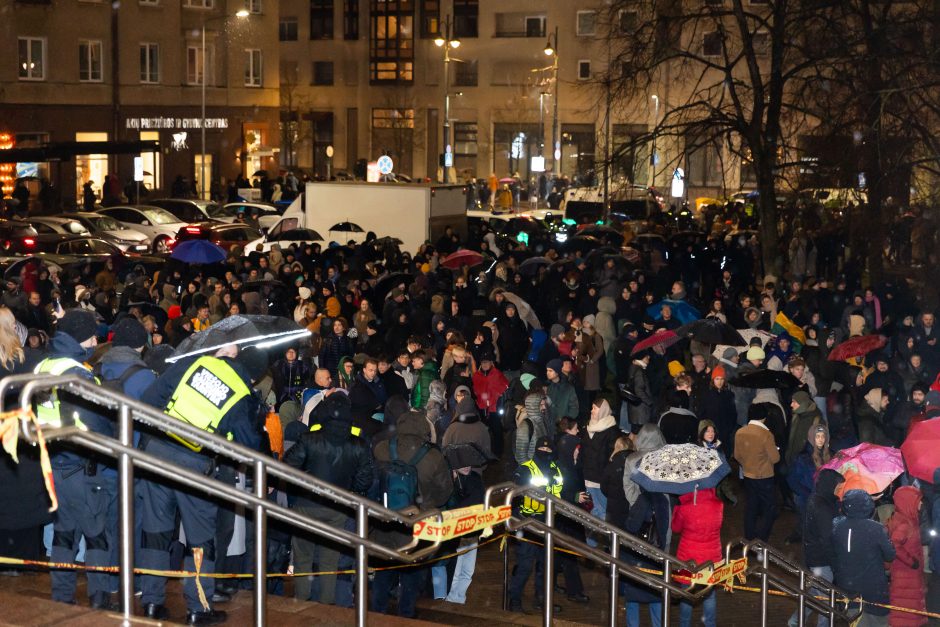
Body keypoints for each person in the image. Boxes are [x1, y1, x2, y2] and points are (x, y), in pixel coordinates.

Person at [138, 342, 264, 624]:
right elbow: (248, 446)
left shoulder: (193, 363)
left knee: (156, 532)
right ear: (254, 376)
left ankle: (151, 603)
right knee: (201, 541)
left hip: (157, 453)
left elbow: (148, 401)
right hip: (196, 465)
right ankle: (198, 608)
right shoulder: (243, 394)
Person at [35, 310, 117, 609]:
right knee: (96, 536)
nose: (96, 341)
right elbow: (94, 421)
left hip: (53, 463)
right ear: (79, 337)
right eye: (93, 336)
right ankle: (98, 598)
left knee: (63, 534)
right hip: (81, 466)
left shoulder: (46, 364)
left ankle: (61, 596)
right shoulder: (77, 372)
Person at [283, 393, 373, 606]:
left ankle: (302, 600)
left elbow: (287, 466)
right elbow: (365, 479)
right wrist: (350, 489)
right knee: (330, 560)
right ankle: (325, 605)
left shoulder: (309, 438)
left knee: (303, 556)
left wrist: (303, 483)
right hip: (338, 508)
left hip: (307, 505)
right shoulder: (358, 444)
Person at [507, 436, 565, 614]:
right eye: (542, 449)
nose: (545, 453)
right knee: (525, 565)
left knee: (545, 565)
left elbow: (560, 494)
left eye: (548, 450)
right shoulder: (525, 469)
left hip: (548, 522)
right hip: (528, 522)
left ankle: (541, 599)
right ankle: (514, 600)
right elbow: (514, 496)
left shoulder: (556, 470)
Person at [790, 468, 845, 627]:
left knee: (815, 594)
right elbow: (827, 538)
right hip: (822, 560)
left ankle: (795, 621)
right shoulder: (822, 507)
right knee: (826, 605)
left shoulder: (820, 500)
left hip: (815, 559)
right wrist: (835, 564)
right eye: (838, 487)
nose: (840, 491)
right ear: (830, 486)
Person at [833, 489, 896, 627]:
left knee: (856, 621)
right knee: (878, 621)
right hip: (873, 586)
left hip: (847, 586)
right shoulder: (876, 529)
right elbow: (890, 555)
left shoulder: (837, 526)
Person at [673, 487, 723, 627]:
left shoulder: (685, 508)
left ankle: (684, 624)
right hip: (711, 558)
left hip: (689, 558)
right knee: (710, 595)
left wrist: (678, 508)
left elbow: (675, 528)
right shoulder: (718, 505)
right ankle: (710, 624)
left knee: (687, 593)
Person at [734, 403, 781, 542]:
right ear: (764, 418)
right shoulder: (766, 434)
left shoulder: (740, 432)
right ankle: (762, 538)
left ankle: (749, 537)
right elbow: (775, 458)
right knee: (769, 508)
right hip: (764, 477)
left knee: (751, 507)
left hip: (748, 475)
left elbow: (737, 455)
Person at [886, 486, 927, 627]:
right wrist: (912, 561)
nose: (921, 504)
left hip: (906, 574)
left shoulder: (904, 518)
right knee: (906, 612)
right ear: (908, 502)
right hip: (906, 574)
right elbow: (895, 545)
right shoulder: (905, 523)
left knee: (906, 610)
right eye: (918, 501)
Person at [580, 399, 620, 537]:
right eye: (592, 408)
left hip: (601, 480)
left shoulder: (612, 431)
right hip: (587, 477)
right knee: (590, 510)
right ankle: (591, 545)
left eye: (595, 408)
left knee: (602, 511)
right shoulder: (587, 427)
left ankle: (606, 543)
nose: (592, 411)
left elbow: (611, 457)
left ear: (602, 410)